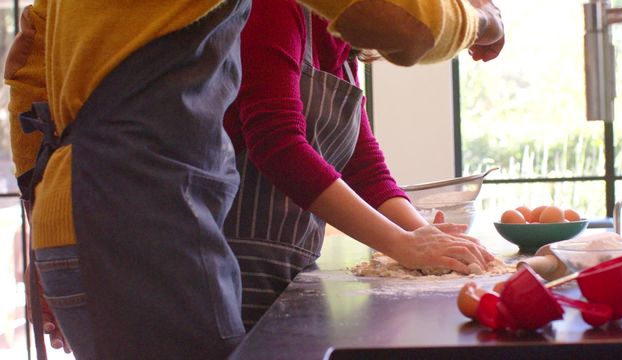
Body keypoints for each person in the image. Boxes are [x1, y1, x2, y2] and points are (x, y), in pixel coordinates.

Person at [5, 0, 503, 359]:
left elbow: (29, 77)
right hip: (144, 220)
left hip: (94, 216)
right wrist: (479, 18)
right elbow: (405, 24)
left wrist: (51, 227)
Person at [223, 0, 504, 329]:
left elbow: (364, 164)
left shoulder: (341, 41)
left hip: (293, 265)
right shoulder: (274, 8)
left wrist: (422, 233)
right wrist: (401, 244)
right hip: (236, 264)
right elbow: (279, 146)